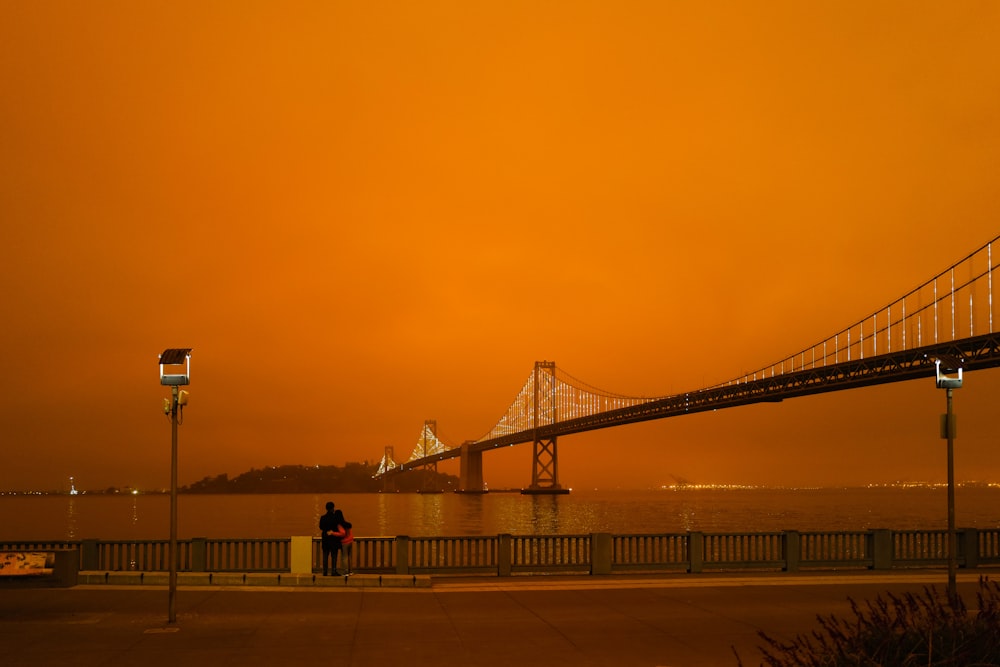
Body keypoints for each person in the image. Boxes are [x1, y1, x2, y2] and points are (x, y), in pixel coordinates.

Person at [318, 501, 344, 576]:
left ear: (326, 508)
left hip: (325, 539)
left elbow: (321, 527)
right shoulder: (335, 517)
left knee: (325, 555)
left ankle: (325, 571)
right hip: (334, 539)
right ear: (333, 508)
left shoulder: (323, 517)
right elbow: (338, 526)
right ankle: (333, 571)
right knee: (334, 555)